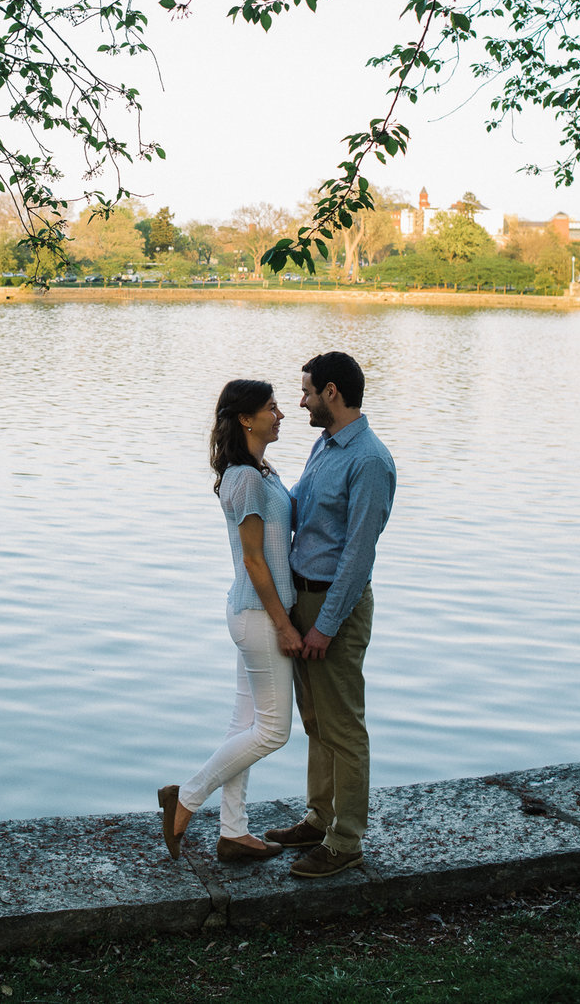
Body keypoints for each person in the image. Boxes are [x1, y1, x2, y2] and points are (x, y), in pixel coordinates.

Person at [158, 379, 304, 863]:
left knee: (244, 724)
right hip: (260, 615)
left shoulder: (260, 470)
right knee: (273, 731)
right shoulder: (244, 477)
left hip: (255, 612)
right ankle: (187, 799)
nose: (281, 414)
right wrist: (284, 624)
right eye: (271, 408)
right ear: (246, 418)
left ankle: (234, 832)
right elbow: (255, 562)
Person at [264, 351, 396, 879]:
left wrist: (324, 625)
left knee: (344, 726)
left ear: (333, 393)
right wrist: (252, 478)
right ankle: (319, 819)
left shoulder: (369, 460)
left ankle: (347, 840)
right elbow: (300, 509)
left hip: (332, 606)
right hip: (303, 598)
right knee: (316, 721)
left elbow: (359, 556)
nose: (301, 402)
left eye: (307, 392)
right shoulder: (326, 445)